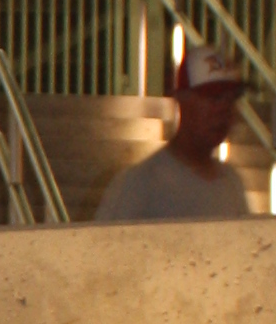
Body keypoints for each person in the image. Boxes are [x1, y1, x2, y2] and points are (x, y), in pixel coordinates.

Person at [95, 43, 254, 226]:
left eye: (231, 99)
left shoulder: (231, 182)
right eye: (214, 98)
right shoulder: (140, 184)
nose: (224, 110)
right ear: (182, 99)